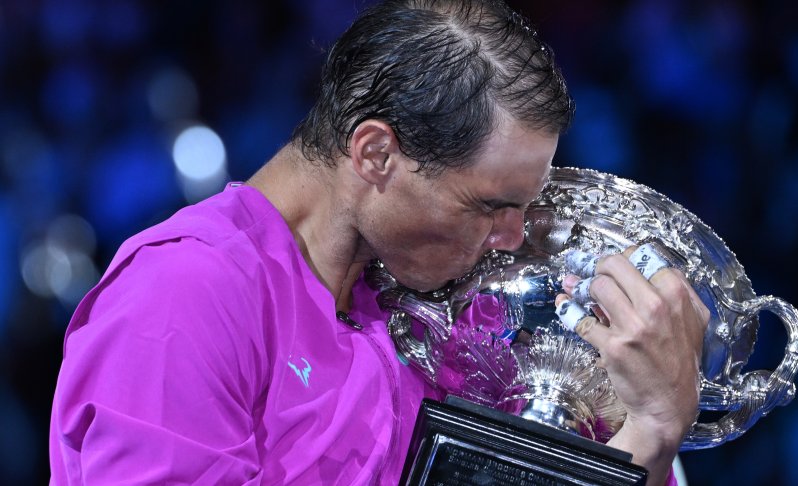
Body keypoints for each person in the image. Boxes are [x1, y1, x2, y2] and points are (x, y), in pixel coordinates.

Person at [49, 0, 708, 484]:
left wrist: (646, 432)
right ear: (375, 154)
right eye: (489, 206)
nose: (511, 239)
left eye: (523, 207)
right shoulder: (185, 295)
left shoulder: (438, 310)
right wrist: (647, 436)